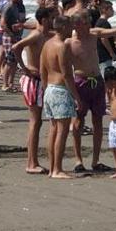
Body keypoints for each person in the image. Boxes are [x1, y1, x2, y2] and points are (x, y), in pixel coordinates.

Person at [67, 11, 116, 173]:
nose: (89, 26)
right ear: (76, 25)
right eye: (85, 23)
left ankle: (95, 161)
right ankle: (78, 160)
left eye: (89, 22)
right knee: (78, 122)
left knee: (97, 121)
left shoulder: (94, 34)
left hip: (97, 82)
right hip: (80, 82)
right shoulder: (69, 41)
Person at [11, 7, 52, 174]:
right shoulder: (36, 34)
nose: (53, 20)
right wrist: (24, 68)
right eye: (51, 18)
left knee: (37, 122)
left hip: (40, 80)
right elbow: (16, 47)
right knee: (35, 122)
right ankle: (31, 163)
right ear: (44, 20)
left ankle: (33, 161)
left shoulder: (44, 32)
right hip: (33, 80)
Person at [40, 15, 81, 179]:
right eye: (70, 25)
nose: (73, 29)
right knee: (62, 131)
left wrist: (45, 89)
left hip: (49, 88)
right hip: (60, 90)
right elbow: (66, 74)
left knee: (53, 129)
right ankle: (57, 169)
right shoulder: (62, 46)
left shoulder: (47, 44)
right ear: (63, 27)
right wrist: (76, 96)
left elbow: (43, 70)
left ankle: (52, 168)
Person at [1, 0, 26, 91]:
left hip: (16, 36)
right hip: (9, 37)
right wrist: (11, 35)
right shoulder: (8, 6)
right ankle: (5, 84)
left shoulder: (17, 7)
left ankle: (11, 83)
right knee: (9, 61)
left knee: (15, 61)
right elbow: (3, 24)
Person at [95, 0, 116, 71]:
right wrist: (112, 53)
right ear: (105, 10)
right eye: (111, 9)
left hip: (101, 55)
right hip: (104, 56)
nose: (113, 11)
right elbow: (104, 39)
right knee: (106, 76)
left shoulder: (100, 22)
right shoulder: (104, 23)